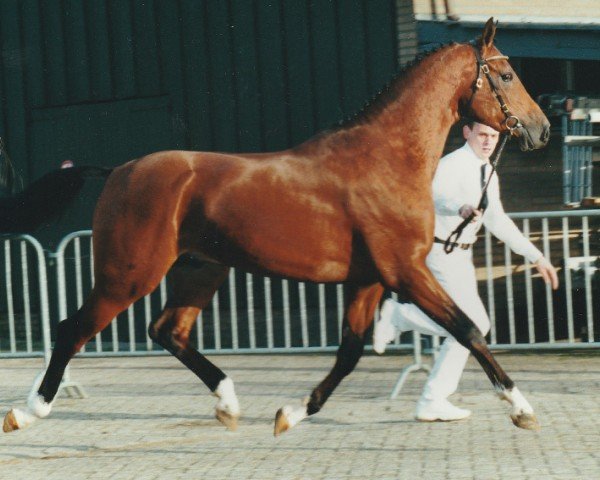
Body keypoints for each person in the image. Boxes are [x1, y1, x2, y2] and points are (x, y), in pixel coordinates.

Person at [373, 121, 559, 422]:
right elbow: (435, 197)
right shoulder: (452, 164)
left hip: (461, 255)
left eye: (494, 137)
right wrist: (459, 208)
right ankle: (401, 322)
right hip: (440, 250)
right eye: (483, 135)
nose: (488, 142)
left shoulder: (487, 171)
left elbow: (497, 221)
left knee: (474, 327)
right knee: (471, 325)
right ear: (467, 133)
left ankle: (431, 394)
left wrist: (536, 255)